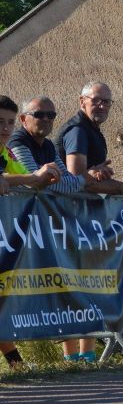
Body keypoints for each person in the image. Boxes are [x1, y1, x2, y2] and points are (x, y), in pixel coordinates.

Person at [55, 82, 123, 362]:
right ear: (82, 101)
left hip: (83, 219)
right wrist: (122, 187)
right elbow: (78, 178)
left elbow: (91, 178)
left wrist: (120, 185)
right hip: (69, 218)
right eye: (96, 100)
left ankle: (86, 355)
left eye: (107, 101)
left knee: (87, 285)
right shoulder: (77, 130)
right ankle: (72, 358)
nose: (102, 106)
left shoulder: (91, 130)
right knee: (73, 286)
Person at [0, 95, 61, 373]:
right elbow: (27, 179)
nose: (5, 128)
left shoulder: (6, 153)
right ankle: (16, 365)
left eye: (10, 122)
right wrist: (30, 178)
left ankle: (17, 365)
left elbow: (29, 181)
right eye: (0, 122)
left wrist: (41, 177)